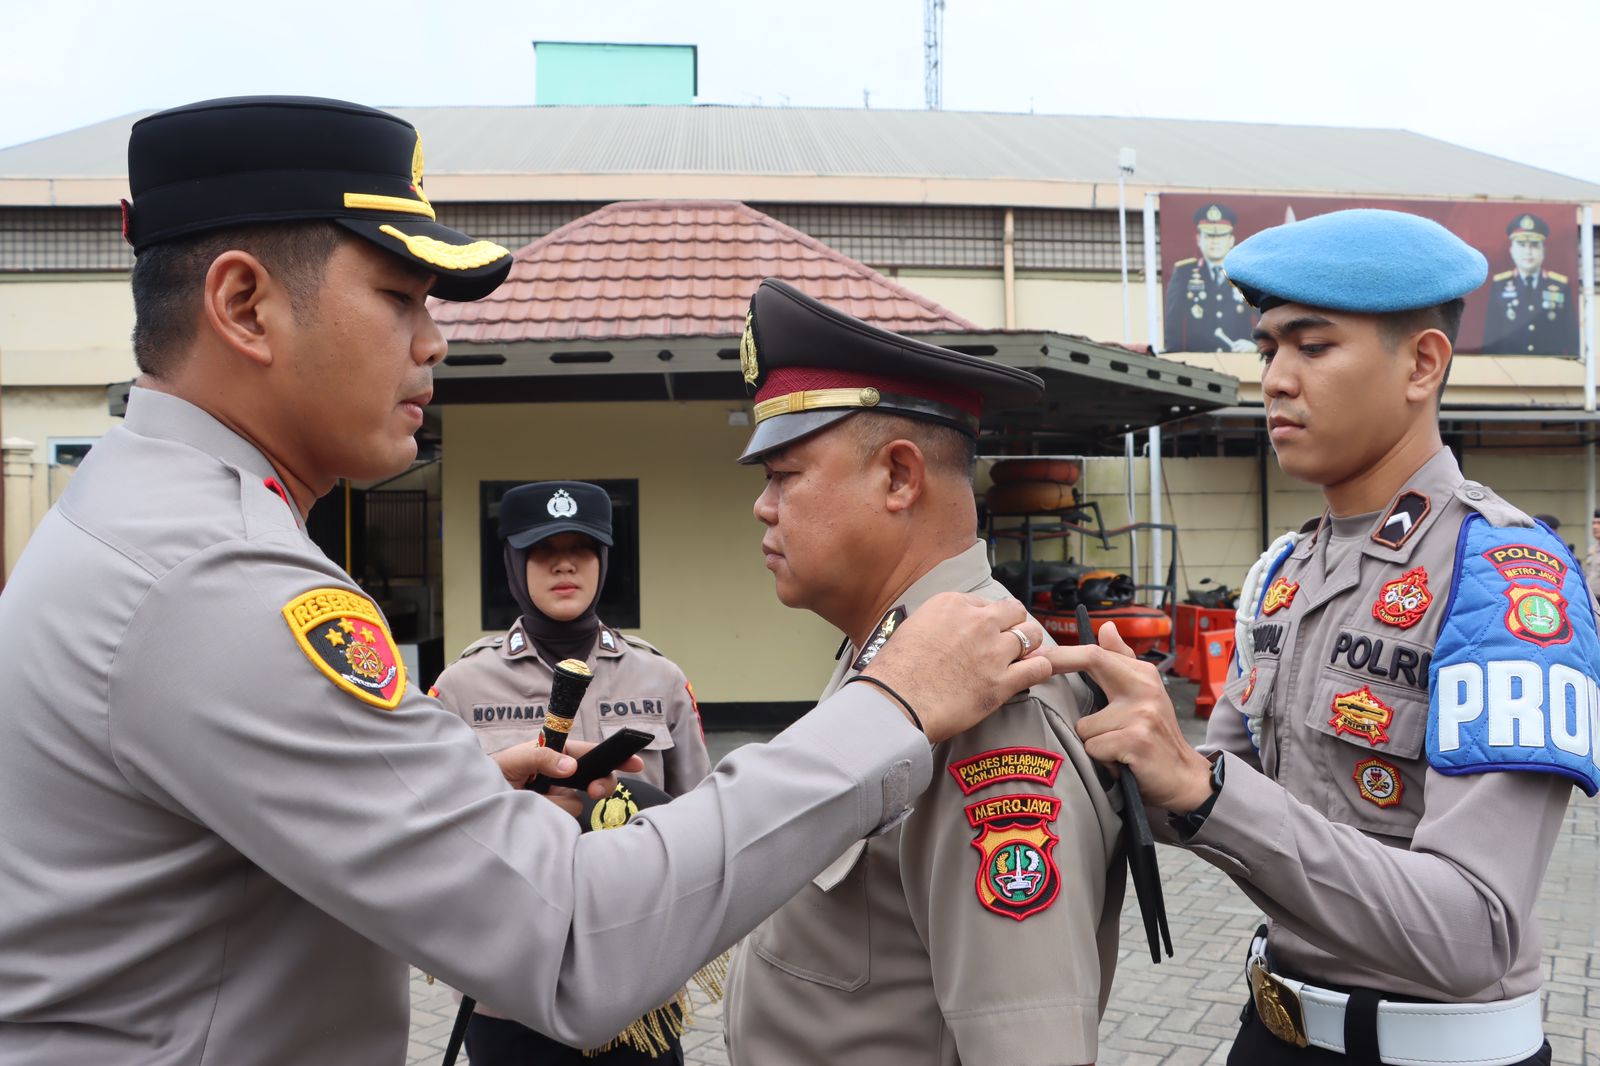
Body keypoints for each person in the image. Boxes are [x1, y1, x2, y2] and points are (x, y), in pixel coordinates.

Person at [0, 96, 1064, 1066]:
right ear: (244, 305)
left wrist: (458, 810)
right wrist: (891, 709)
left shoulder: (150, 522)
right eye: (400, 296)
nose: (434, 341)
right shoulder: (214, 576)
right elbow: (572, 938)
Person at [1072, 209, 1594, 1065]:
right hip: (1275, 1030)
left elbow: (1474, 933)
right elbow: (1215, 792)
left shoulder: (1504, 578)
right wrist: (1110, 733)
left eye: (1312, 347)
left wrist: (1203, 789)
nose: (1276, 380)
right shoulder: (1286, 571)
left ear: (1422, 364)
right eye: (1267, 350)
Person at [722, 279, 1126, 1066]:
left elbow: (1026, 1045)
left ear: (900, 477)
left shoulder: (992, 702)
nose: (763, 507)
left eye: (785, 474)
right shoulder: (898, 656)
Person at [431, 479, 713, 1064]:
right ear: (513, 563)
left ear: (604, 560)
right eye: (542, 549)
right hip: (512, 984)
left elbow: (701, 818)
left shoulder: (659, 678)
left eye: (582, 548)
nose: (564, 564)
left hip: (639, 981)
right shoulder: (462, 685)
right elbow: (432, 828)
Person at [1164, 202, 1257, 353]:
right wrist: (1175, 355)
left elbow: (1262, 316)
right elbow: (1174, 322)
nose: (1215, 241)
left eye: (1221, 235)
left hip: (1239, 358)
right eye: (1208, 236)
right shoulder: (1184, 273)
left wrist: (1256, 345)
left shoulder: (1244, 274)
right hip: (1199, 360)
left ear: (1231, 240)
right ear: (1198, 239)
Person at [1480, 213, 1577, 356]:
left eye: (1534, 245)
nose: (1528, 252)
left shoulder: (1560, 286)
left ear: (1544, 250)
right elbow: (1491, 335)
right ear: (1512, 250)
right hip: (1508, 364)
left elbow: (1571, 336)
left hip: (1550, 365)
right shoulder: (1499, 285)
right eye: (1521, 245)